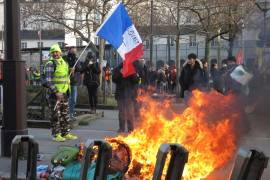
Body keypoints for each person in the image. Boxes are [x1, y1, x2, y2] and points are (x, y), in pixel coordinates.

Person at [43, 44, 77, 142]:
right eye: (53, 52)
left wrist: (71, 70)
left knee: (64, 114)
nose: (55, 54)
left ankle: (65, 133)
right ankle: (56, 134)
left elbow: (66, 77)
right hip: (54, 95)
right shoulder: (50, 64)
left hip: (64, 93)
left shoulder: (64, 63)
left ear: (60, 52)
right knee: (55, 115)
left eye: (56, 51)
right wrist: (56, 92)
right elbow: (48, 80)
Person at [112, 63, 139, 133]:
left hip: (129, 95)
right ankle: (121, 128)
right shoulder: (118, 69)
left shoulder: (131, 68)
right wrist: (120, 73)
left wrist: (132, 73)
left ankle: (130, 128)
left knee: (129, 112)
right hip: (120, 94)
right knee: (121, 112)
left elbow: (136, 80)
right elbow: (114, 79)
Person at [63, 46, 81, 121]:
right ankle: (66, 114)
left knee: (73, 99)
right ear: (69, 50)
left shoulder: (77, 59)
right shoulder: (65, 58)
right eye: (72, 51)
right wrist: (69, 69)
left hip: (74, 82)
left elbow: (80, 68)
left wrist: (75, 68)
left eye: (75, 51)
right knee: (67, 98)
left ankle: (71, 113)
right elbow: (62, 67)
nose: (74, 52)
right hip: (65, 81)